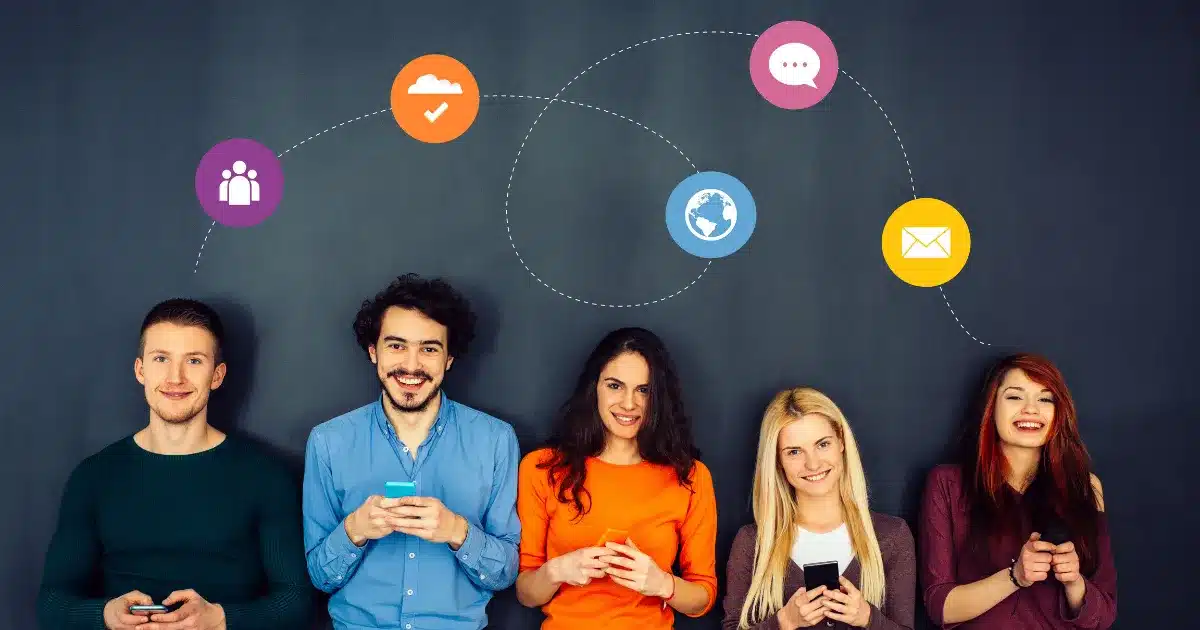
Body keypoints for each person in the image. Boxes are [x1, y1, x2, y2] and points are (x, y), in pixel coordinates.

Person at [36, 298, 313, 630]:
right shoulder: (94, 476)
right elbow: (52, 603)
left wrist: (220, 619)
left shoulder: (265, 476)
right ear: (141, 370)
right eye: (161, 359)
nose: (175, 377)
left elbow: (296, 601)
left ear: (217, 375)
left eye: (194, 360)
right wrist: (106, 615)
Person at [302, 273, 521, 630]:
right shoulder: (329, 442)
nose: (412, 365)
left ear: (449, 358)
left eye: (429, 348)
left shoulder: (495, 440)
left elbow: (505, 573)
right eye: (396, 345)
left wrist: (457, 531)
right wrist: (355, 529)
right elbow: (320, 578)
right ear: (373, 351)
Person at [514, 327, 719, 629]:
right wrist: (557, 570)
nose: (628, 404)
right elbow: (526, 593)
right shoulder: (542, 468)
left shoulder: (691, 477)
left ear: (659, 397)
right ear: (594, 387)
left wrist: (662, 584)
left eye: (643, 390)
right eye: (615, 386)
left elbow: (703, 597)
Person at [918, 353, 1117, 628]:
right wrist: (1015, 576)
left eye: (1045, 399)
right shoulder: (948, 483)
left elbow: (1104, 615)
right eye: (1015, 397)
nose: (1031, 410)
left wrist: (1074, 583)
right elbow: (940, 607)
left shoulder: (1085, 486)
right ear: (991, 407)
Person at [722, 387, 916, 630]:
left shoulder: (891, 536)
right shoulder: (753, 542)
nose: (812, 463)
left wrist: (868, 618)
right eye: (794, 452)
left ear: (841, 443)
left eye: (822, 444)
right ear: (778, 462)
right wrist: (784, 622)